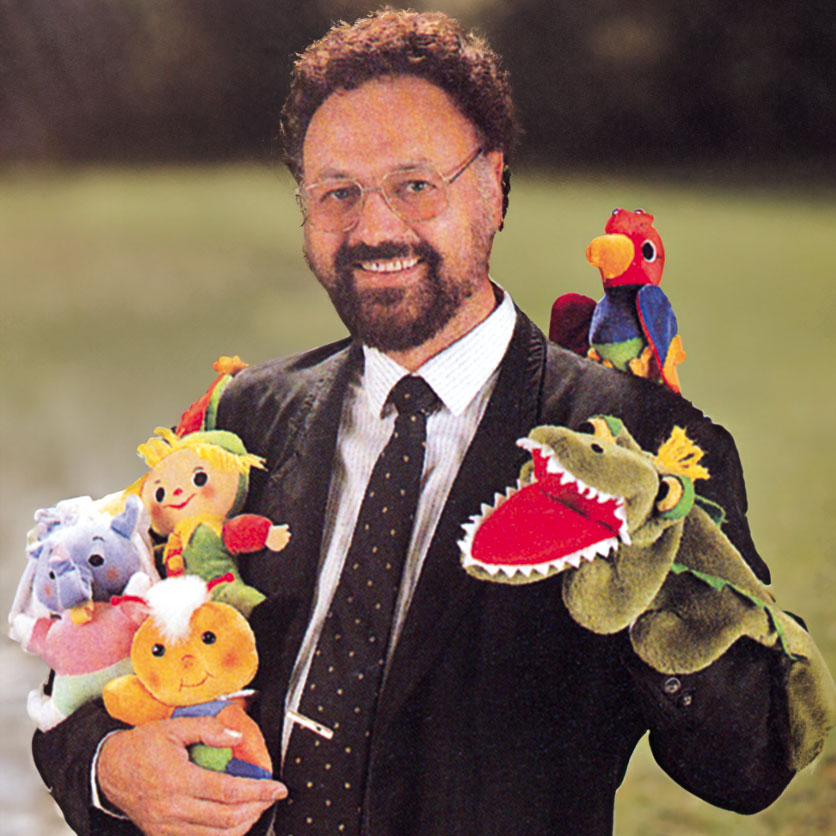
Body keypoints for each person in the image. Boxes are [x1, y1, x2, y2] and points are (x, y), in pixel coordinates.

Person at [30, 9, 833, 836]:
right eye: (337, 192)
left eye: (415, 185)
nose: (375, 229)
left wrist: (655, 579)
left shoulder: (642, 445)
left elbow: (749, 768)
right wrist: (110, 768)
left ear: (494, 186)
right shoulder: (240, 422)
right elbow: (84, 674)